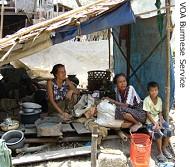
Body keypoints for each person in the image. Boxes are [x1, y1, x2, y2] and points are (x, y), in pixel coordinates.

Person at [143, 81, 172, 162]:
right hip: (150, 122)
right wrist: (155, 123)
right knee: (158, 133)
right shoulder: (146, 100)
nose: (154, 92)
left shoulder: (159, 99)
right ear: (149, 91)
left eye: (156, 90)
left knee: (169, 131)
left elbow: (160, 112)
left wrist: (161, 121)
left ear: (158, 90)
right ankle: (160, 153)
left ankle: (164, 148)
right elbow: (147, 114)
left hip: (158, 119)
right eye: (152, 90)